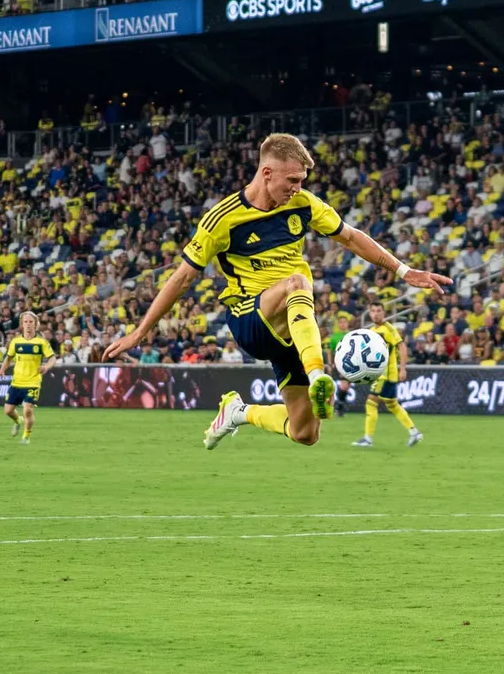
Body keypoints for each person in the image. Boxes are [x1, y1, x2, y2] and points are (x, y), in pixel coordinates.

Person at [102, 133, 451, 448]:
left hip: (290, 326)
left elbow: (350, 236)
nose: (298, 188)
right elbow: (180, 280)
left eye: (302, 181)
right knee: (299, 282)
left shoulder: (303, 204)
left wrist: (404, 271)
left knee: (305, 433)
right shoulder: (221, 219)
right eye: (293, 180)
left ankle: (237, 412)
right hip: (248, 318)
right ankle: (317, 375)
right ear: (267, 173)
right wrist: (140, 332)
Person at [352, 302, 422, 449]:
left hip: (386, 374)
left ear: (384, 313)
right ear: (369, 313)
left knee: (370, 403)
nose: (376, 314)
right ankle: (414, 432)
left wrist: (403, 368)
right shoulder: (371, 330)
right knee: (393, 405)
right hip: (380, 374)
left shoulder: (389, 329)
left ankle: (368, 439)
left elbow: (402, 346)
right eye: (373, 311)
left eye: (379, 311)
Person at [0, 312, 57, 445]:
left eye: (31, 322)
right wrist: (1, 370)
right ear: (22, 324)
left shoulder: (41, 342)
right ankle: (18, 421)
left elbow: (52, 358)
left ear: (36, 324)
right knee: (8, 410)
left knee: (28, 409)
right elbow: (9, 358)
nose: (28, 324)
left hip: (33, 382)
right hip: (17, 381)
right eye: (26, 322)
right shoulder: (16, 341)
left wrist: (46, 367)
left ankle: (26, 437)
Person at [324, 315, 353, 419]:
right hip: (341, 364)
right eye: (340, 322)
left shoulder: (352, 335)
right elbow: (330, 352)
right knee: (344, 386)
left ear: (347, 323)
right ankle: (339, 407)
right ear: (338, 324)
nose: (343, 324)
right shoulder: (334, 337)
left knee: (346, 387)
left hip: (353, 364)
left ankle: (340, 406)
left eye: (344, 322)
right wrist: (330, 364)